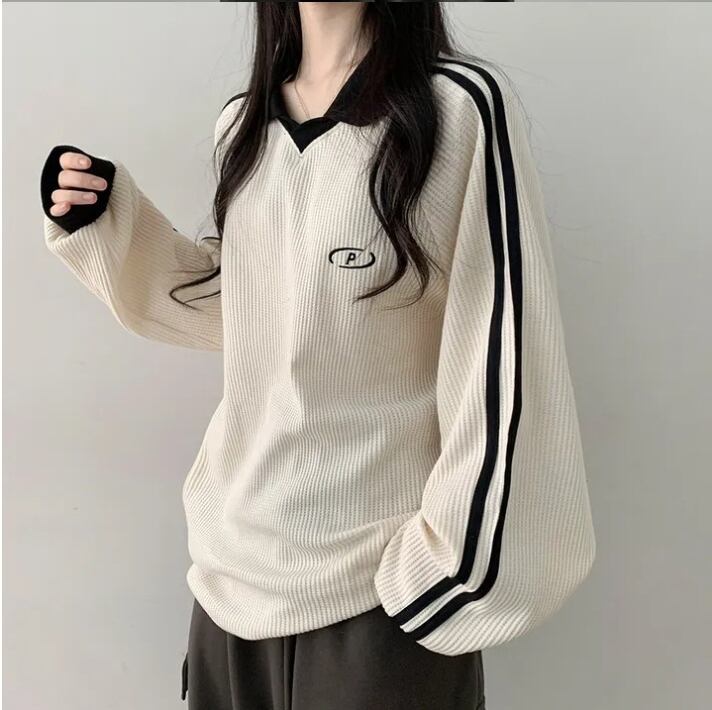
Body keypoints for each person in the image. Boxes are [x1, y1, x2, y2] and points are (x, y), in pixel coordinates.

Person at [39, 2, 596, 709]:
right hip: (228, 587)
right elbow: (258, 314)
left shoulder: (457, 109)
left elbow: (508, 349)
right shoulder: (243, 125)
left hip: (377, 598)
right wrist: (106, 223)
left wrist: (447, 575)